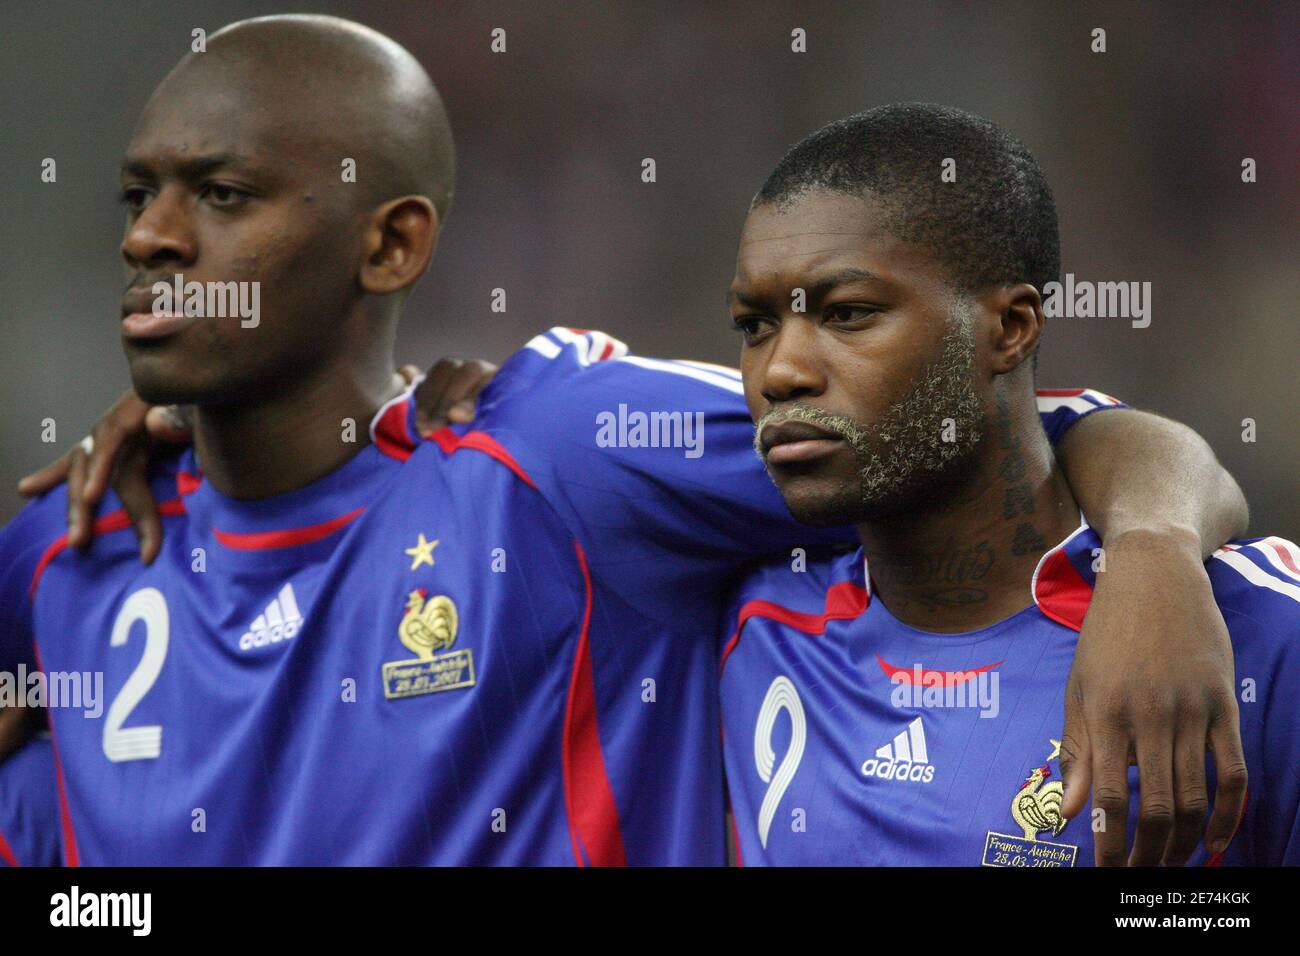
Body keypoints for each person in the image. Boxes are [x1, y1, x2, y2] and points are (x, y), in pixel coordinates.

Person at [3, 16, 1248, 864]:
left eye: (218, 197)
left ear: (390, 244)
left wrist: (1145, 552)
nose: (150, 238)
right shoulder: (64, 547)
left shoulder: (564, 454)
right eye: (136, 198)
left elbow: (993, 435)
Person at [719, 105, 1292, 866]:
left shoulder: (1246, 636)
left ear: (1011, 328)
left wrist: (1156, 547)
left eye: (848, 313)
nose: (781, 371)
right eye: (755, 325)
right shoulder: (743, 616)